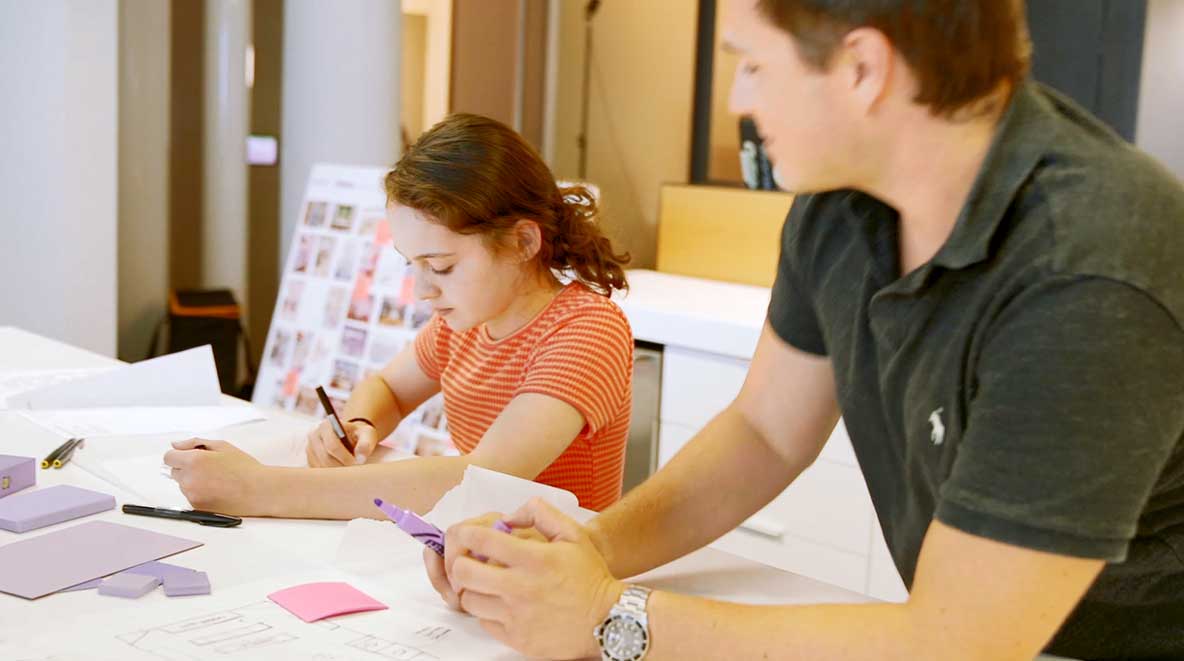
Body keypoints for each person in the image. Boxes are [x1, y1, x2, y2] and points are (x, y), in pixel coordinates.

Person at [429, 1, 1184, 659]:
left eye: (753, 65)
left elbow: (959, 641)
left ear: (862, 67)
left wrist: (609, 617)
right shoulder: (840, 206)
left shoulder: (1087, 265)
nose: (736, 98)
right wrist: (589, 549)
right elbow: (765, 431)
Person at [164, 114, 635, 518]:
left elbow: (484, 477)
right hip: (491, 549)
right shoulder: (464, 325)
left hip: (561, 565)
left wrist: (258, 488)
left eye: (442, 267)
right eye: (414, 266)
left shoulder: (587, 330)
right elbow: (387, 389)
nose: (423, 290)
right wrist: (363, 425)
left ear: (523, 243)